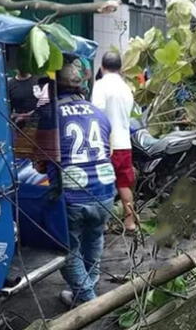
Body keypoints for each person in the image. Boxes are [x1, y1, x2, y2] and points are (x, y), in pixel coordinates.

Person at [51, 56, 116, 306]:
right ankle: (86, 289)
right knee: (94, 237)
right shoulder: (99, 113)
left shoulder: (52, 115)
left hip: (73, 196)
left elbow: (43, 158)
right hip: (105, 191)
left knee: (66, 249)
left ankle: (89, 302)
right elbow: (106, 148)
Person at [91, 51, 136, 232]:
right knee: (123, 184)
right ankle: (130, 222)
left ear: (102, 68)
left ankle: (103, 223)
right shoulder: (126, 88)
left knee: (104, 184)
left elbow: (97, 113)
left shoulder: (100, 85)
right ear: (121, 69)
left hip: (106, 145)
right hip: (124, 143)